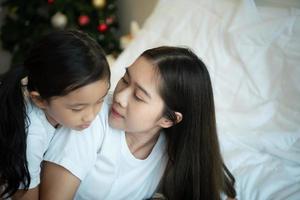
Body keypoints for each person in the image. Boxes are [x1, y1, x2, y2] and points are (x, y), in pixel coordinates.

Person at [41, 46, 236, 200]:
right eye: (125, 80)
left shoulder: (172, 152)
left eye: (139, 96)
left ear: (168, 119)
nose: (120, 98)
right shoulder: (90, 119)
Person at [0, 30, 110, 199]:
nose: (91, 116)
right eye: (77, 108)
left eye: (100, 101)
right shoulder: (31, 136)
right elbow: (24, 196)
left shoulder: (36, 84)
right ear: (40, 100)